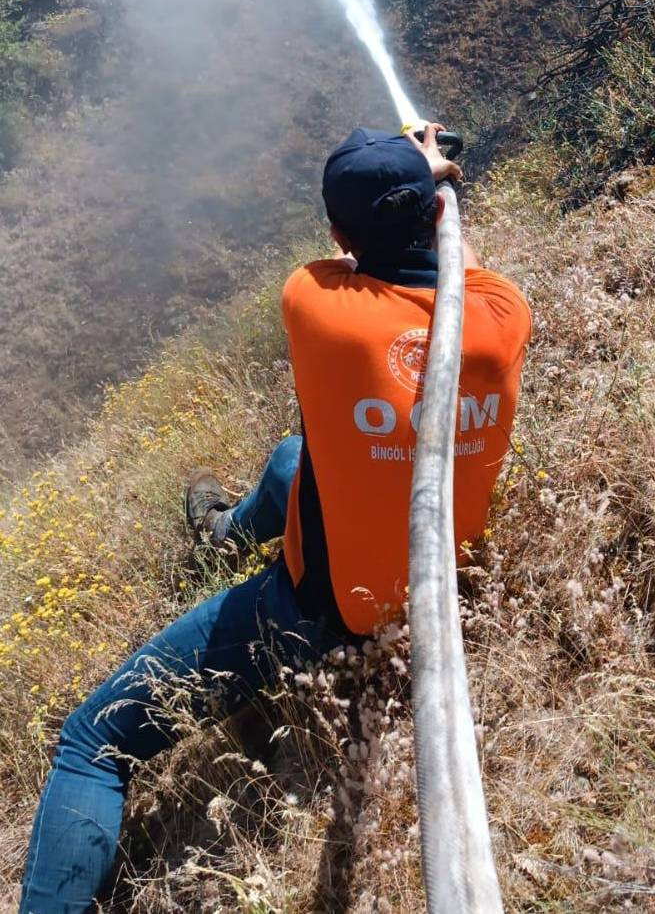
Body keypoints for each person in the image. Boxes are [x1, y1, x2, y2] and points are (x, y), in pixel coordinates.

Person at [19, 124, 532, 914]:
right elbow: (458, 276)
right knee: (297, 456)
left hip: (320, 611)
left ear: (338, 234)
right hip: (429, 579)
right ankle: (223, 530)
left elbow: (346, 263)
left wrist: (408, 168)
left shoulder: (317, 305)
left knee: (92, 743)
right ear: (438, 211)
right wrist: (425, 188)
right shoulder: (502, 318)